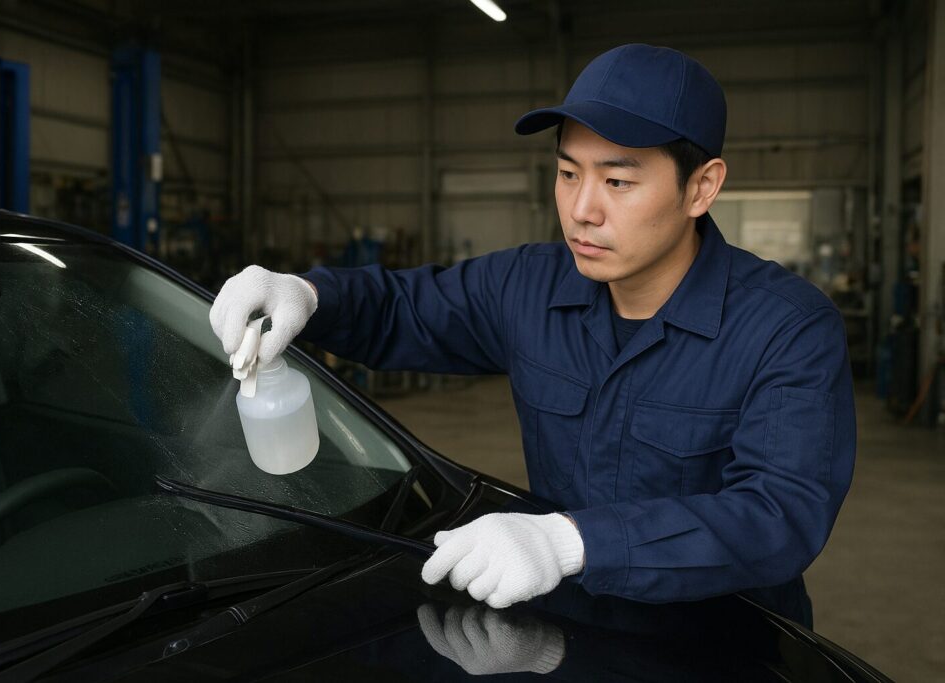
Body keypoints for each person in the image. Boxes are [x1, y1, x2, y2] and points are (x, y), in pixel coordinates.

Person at [209, 43, 855, 623]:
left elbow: (779, 513)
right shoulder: (529, 287)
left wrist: (571, 541)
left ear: (701, 188)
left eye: (618, 181)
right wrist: (308, 294)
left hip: (729, 648)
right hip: (568, 632)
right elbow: (404, 309)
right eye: (568, 173)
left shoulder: (785, 328)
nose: (581, 209)